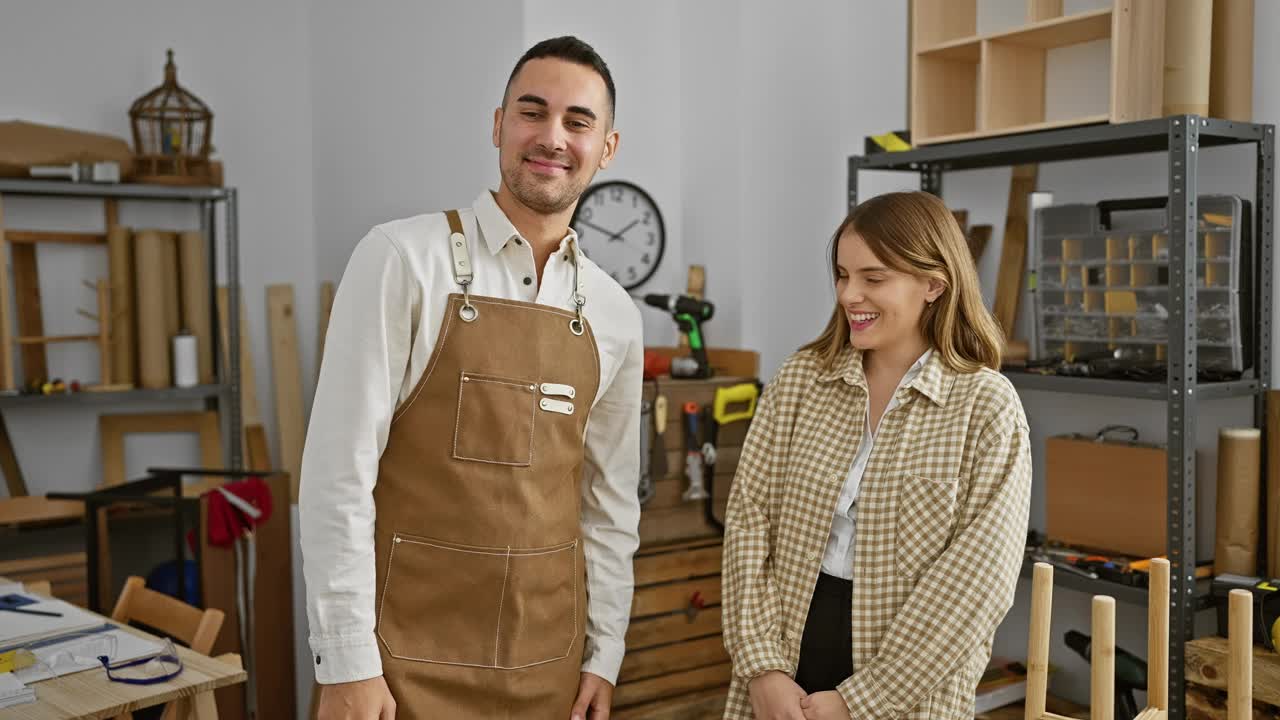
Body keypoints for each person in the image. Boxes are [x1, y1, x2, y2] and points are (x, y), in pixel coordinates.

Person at [300, 36, 643, 720]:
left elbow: (608, 509)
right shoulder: (401, 259)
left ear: (606, 147)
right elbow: (338, 477)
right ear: (497, 124)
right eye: (531, 112)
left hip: (550, 670)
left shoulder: (613, 314)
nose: (551, 137)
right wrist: (346, 664)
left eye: (577, 122)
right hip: (398, 673)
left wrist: (604, 655)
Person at [721, 191, 1032, 720]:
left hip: (909, 688)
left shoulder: (986, 406)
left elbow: (977, 582)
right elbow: (749, 522)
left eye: (873, 278)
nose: (849, 294)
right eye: (843, 275)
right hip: (783, 665)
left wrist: (860, 701)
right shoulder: (801, 380)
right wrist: (762, 667)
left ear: (934, 283)